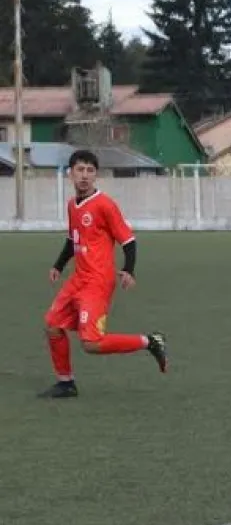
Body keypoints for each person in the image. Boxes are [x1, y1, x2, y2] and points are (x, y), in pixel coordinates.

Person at [40, 150, 168, 398]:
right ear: (71, 173)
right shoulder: (72, 205)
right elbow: (72, 240)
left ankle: (150, 341)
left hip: (97, 282)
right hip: (78, 278)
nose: (84, 176)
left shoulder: (105, 205)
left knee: (92, 344)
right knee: (52, 325)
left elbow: (128, 240)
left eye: (90, 171)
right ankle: (66, 383)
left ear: (96, 175)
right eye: (80, 170)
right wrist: (58, 265)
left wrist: (128, 269)